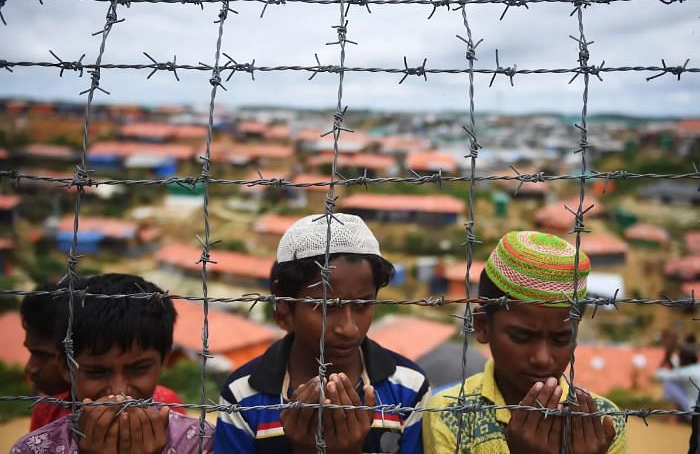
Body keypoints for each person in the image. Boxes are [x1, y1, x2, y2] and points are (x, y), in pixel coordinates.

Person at [214, 213, 431, 453]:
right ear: (284, 302)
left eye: (362, 305)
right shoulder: (243, 395)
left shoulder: (408, 388)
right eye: (327, 307)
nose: (349, 328)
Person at [423, 231, 628, 453]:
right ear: (482, 326)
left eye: (561, 339)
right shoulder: (452, 415)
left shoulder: (599, 423)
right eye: (521, 337)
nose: (542, 358)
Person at [12, 273, 213, 453]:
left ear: (164, 361)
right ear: (65, 368)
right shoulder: (35, 448)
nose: (119, 392)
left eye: (139, 369)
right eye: (97, 372)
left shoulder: (200, 443)